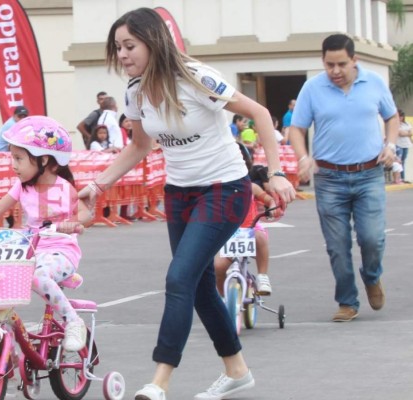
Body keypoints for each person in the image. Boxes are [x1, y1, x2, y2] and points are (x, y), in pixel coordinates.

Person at [78, 8, 295, 400]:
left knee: (179, 278)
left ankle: (158, 381)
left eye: (130, 46)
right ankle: (237, 370)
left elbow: (260, 113)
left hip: (224, 188)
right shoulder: (135, 91)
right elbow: (140, 146)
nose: (123, 55)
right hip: (180, 193)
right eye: (118, 48)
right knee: (195, 286)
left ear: (153, 41)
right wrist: (98, 184)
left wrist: (276, 172)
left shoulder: (195, 77)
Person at [289, 33, 399, 323]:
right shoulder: (312, 88)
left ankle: (372, 276)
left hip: (369, 174)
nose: (335, 71)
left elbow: (391, 117)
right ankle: (347, 301)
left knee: (372, 238)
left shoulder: (374, 82)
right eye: (329, 65)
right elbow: (297, 129)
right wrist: (303, 158)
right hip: (329, 178)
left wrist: (389, 145)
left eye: (341, 64)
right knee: (337, 245)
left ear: (354, 60)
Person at [0, 115, 92, 351]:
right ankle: (6, 345)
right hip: (29, 248)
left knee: (38, 278)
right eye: (12, 157)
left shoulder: (62, 187)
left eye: (19, 158)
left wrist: (70, 223)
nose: (13, 164)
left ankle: (73, 321)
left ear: (44, 160)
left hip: (61, 249)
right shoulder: (21, 186)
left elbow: (85, 214)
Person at [214, 143, 282, 296]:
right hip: (228, 234)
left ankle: (263, 276)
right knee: (218, 267)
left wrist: (272, 206)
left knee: (259, 236)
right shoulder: (216, 190)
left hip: (250, 228)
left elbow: (268, 200)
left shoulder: (251, 187)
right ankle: (222, 297)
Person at [396, 109, 412, 182]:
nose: (400, 117)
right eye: (399, 116)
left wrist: (407, 133)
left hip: (406, 144)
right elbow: (400, 133)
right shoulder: (396, 124)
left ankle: (403, 177)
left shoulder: (407, 124)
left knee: (403, 161)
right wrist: (407, 133)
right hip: (399, 145)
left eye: (401, 116)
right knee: (399, 161)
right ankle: (399, 178)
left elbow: (411, 132)